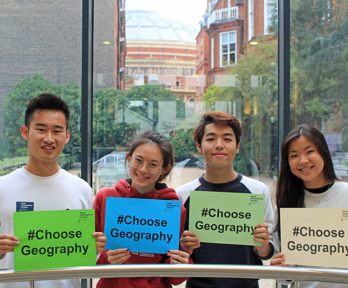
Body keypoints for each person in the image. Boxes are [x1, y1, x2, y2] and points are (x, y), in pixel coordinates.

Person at [0, 93, 106, 288]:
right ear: (25, 132)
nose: (49, 138)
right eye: (41, 129)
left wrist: (96, 248)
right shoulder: (2, 188)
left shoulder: (81, 189)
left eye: (57, 131)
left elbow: (85, 253)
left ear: (66, 136)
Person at [176, 111, 274, 288]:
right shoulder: (182, 194)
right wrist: (183, 248)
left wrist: (263, 246)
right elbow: (176, 254)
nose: (219, 145)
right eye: (211, 138)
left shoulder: (258, 192)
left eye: (227, 139)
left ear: (237, 147)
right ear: (199, 146)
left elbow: (269, 251)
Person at [94, 131, 191, 288]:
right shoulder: (105, 198)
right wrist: (105, 257)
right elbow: (89, 257)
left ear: (165, 169)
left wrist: (181, 260)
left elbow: (174, 276)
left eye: (153, 164)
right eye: (138, 161)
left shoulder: (173, 209)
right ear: (128, 159)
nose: (143, 169)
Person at [271, 124, 348, 288]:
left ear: (323, 153)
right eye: (294, 155)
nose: (303, 160)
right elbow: (286, 278)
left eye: (309, 151)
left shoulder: (346, 194)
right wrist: (279, 269)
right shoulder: (286, 203)